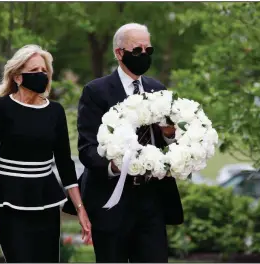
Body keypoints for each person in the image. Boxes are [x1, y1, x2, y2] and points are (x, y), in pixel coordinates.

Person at [63, 23, 184, 262]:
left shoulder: (157, 89)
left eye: (148, 51)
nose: (143, 55)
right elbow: (87, 150)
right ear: (119, 53)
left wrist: (170, 134)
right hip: (111, 201)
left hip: (152, 200)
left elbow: (167, 144)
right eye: (136, 50)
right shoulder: (95, 92)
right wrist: (115, 166)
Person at [0, 44, 91, 263]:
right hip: (6, 199)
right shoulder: (1, 108)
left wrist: (80, 210)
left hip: (45, 198)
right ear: (17, 77)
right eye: (34, 71)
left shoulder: (55, 111)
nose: (41, 76)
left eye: (44, 71)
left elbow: (65, 164)